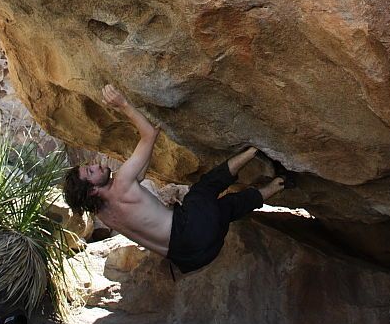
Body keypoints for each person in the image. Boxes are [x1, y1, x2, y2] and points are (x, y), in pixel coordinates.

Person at [63, 84, 291, 274]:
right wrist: (123, 104)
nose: (96, 166)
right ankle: (253, 151)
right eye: (91, 172)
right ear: (92, 191)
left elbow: (139, 177)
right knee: (204, 189)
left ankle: (277, 184)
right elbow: (148, 134)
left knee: (222, 210)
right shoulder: (121, 183)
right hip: (189, 231)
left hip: (188, 259)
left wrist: (147, 150)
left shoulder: (103, 212)